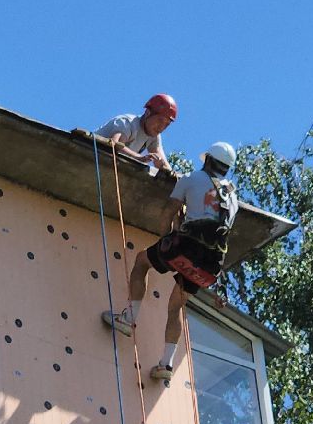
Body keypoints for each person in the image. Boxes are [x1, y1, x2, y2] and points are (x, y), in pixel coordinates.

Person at [102, 142, 239, 381]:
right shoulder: (232, 198)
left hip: (187, 245)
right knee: (176, 305)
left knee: (142, 261)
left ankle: (128, 319)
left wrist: (164, 239)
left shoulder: (191, 178)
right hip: (210, 264)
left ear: (207, 160)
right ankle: (166, 364)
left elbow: (169, 210)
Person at [93, 94, 177, 175]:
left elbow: (162, 162)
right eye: (160, 120)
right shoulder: (127, 123)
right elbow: (114, 144)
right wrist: (139, 157)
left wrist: (172, 174)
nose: (161, 127)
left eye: (167, 124)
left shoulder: (154, 136)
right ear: (148, 112)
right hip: (91, 157)